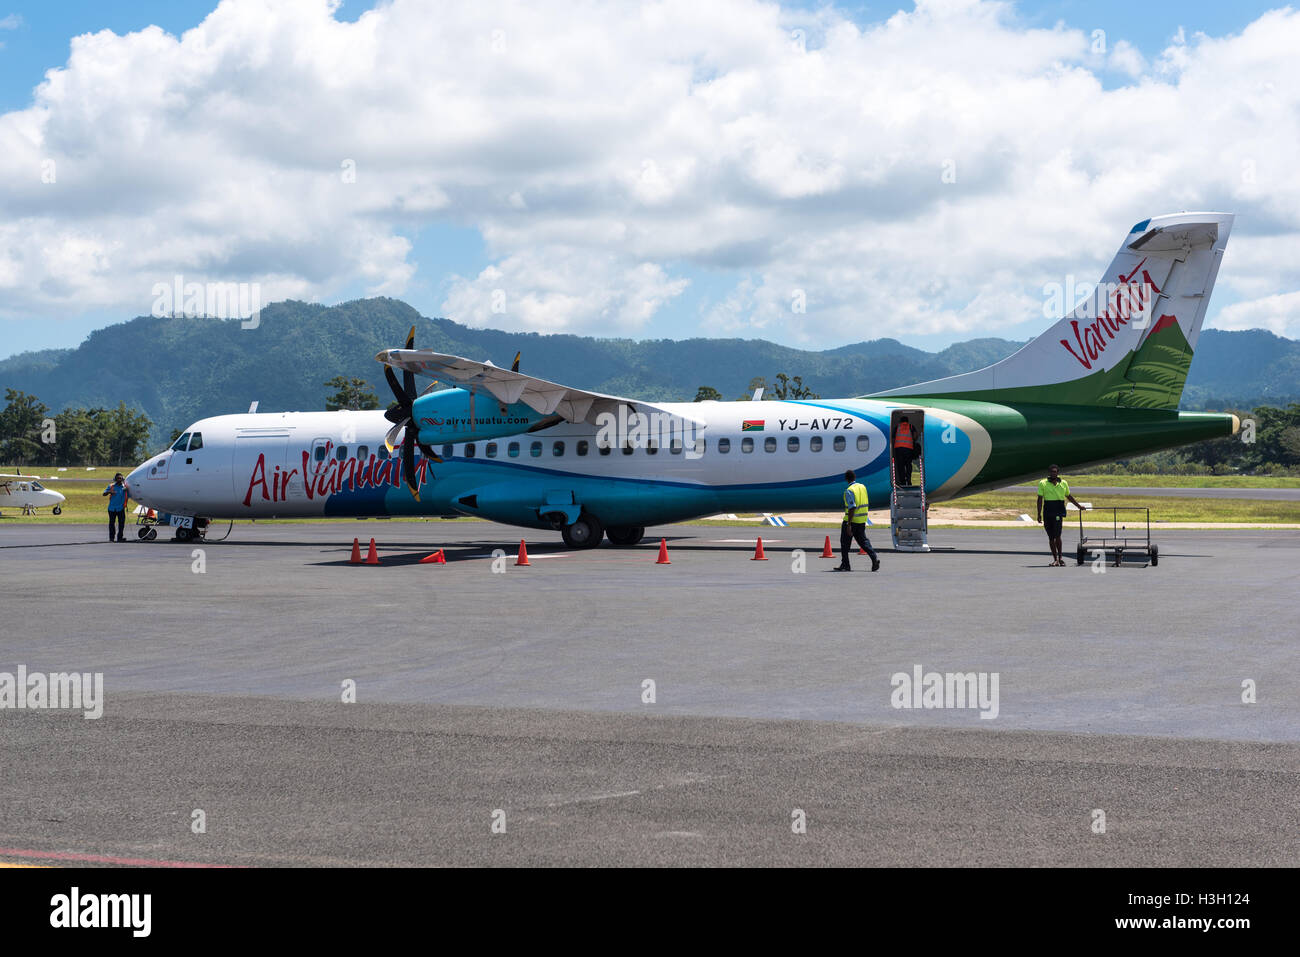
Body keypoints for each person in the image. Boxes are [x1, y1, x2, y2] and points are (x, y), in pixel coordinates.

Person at [1036, 464, 1085, 566]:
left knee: (1058, 536)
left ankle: (1060, 558)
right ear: (1049, 473)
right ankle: (1055, 559)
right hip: (1048, 512)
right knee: (1051, 537)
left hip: (1058, 511)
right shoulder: (1042, 483)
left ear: (1058, 472)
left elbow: (1068, 496)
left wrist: (1078, 506)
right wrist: (1039, 514)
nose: (1053, 473)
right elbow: (1040, 499)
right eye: (1052, 471)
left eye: (1055, 471)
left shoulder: (1063, 483)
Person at [834, 469, 880, 572]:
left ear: (846, 479)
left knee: (845, 543)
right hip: (861, 520)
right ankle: (874, 558)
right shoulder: (862, 487)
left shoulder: (849, 490)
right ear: (854, 477)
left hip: (851, 521)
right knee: (863, 542)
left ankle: (846, 565)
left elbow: (852, 507)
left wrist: (849, 525)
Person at [102, 472, 130, 542]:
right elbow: (104, 494)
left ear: (122, 479)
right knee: (111, 524)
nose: (119, 480)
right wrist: (109, 492)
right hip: (112, 508)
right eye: (117, 478)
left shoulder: (125, 488)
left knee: (121, 524)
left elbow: (129, 495)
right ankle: (111, 538)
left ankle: (120, 537)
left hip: (121, 508)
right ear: (115, 479)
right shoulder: (111, 486)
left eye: (120, 478)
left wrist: (127, 490)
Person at [892, 415, 919, 486]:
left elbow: (893, 439)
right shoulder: (911, 426)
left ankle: (902, 482)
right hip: (908, 449)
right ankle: (909, 481)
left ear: (900, 421)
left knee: (900, 466)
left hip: (898, 449)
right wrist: (913, 440)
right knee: (908, 465)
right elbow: (915, 435)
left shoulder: (897, 427)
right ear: (907, 421)